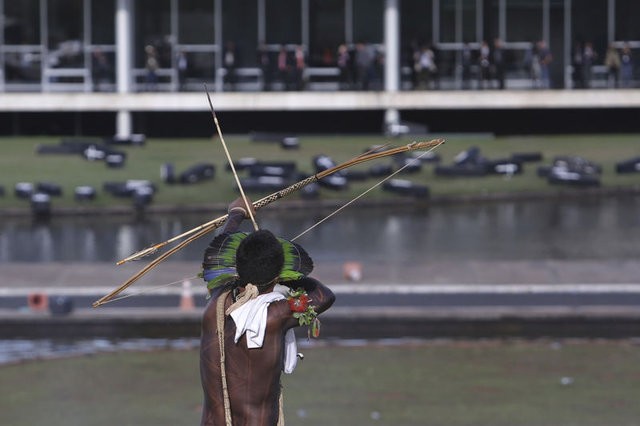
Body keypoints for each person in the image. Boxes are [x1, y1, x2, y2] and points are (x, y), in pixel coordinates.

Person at [200, 197, 336, 426]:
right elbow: (324, 296)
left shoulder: (217, 299)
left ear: (236, 267)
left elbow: (221, 252)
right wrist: (286, 274)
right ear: (277, 275)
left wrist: (235, 212)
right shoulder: (275, 315)